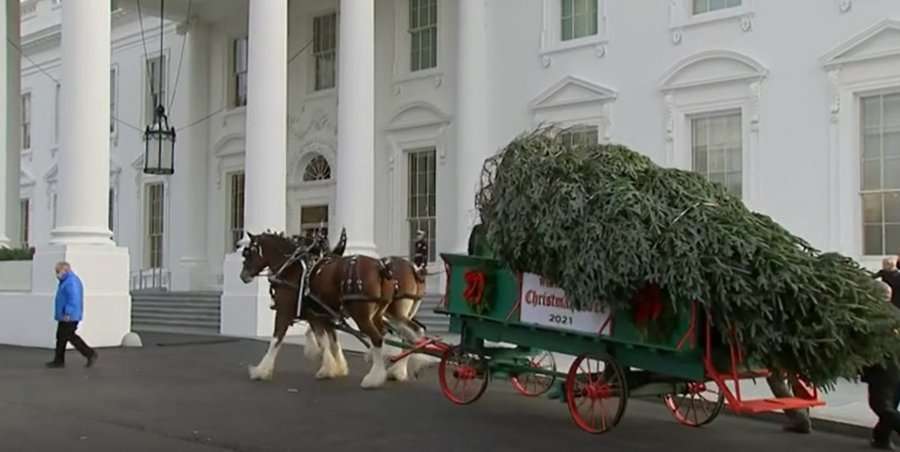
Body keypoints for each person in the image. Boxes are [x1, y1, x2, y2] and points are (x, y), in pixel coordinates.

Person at [864, 280, 900, 450]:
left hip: (883, 369)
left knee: (880, 406)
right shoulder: (896, 313)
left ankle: (882, 439)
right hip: (897, 369)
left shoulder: (871, 317)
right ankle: (881, 439)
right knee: (889, 406)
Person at [46, 261, 98, 368]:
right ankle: (59, 360)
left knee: (69, 336)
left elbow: (73, 299)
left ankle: (89, 353)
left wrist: (67, 312)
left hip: (69, 316)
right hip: (66, 315)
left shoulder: (70, 282)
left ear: (65, 270)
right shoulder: (67, 281)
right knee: (62, 337)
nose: (56, 274)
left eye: (57, 271)